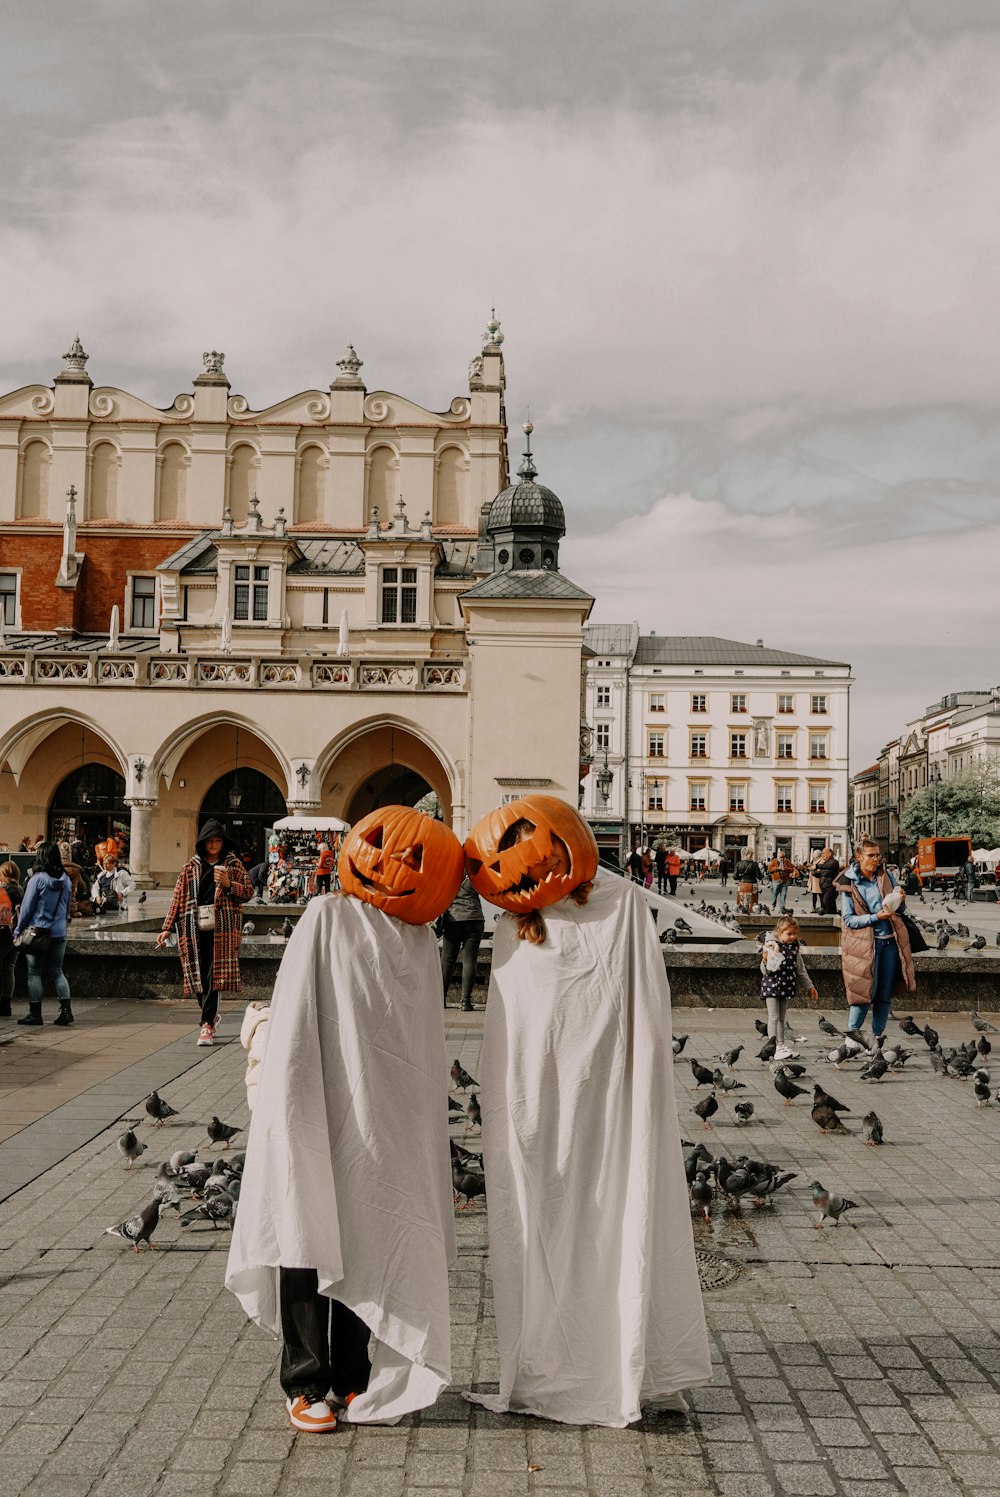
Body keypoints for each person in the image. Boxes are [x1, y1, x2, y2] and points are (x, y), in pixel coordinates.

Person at [463, 795, 711, 1426]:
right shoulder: (510, 930)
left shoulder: (622, 905)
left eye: (531, 840)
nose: (522, 858)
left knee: (615, 1213)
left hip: (607, 1097)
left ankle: (627, 1360)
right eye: (507, 849)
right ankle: (557, 1360)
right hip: (542, 1104)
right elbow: (513, 1032)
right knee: (549, 1223)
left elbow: (641, 1010)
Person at [227, 806, 463, 1433]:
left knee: (368, 1228)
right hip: (317, 1097)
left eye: (418, 861)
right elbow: (301, 1015)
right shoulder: (326, 917)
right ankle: (304, 1378)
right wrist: (291, 1098)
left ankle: (353, 1377)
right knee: (304, 1225)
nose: (395, 864)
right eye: (385, 846)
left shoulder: (419, 942)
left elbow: (413, 1044)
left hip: (382, 1118)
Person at [156, 820, 253, 1046]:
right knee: (197, 974)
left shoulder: (233, 864)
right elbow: (177, 899)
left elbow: (248, 892)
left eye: (218, 841)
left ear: (223, 843)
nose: (214, 845)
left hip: (224, 928)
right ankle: (211, 1016)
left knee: (214, 976)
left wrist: (229, 884)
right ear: (202, 843)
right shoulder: (190, 867)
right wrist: (166, 927)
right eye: (210, 841)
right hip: (193, 927)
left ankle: (206, 1025)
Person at [835, 839, 915, 1038]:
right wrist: (875, 917)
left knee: (884, 994)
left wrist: (901, 900)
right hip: (864, 945)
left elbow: (900, 910)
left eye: (877, 855)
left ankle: (877, 1037)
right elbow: (848, 920)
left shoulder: (885, 875)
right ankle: (852, 1039)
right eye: (871, 855)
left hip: (889, 942)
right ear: (859, 857)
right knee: (863, 993)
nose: (876, 859)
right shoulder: (850, 881)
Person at [13, 841, 74, 1027]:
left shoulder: (37, 879)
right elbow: (68, 906)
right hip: (59, 932)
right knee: (57, 971)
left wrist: (17, 930)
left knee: (34, 973)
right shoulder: (66, 879)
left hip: (37, 932)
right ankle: (66, 1011)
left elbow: (27, 908)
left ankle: (35, 1014)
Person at [759, 915, 818, 1061]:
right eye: (789, 934)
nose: (792, 936)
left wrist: (810, 986)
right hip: (772, 986)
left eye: (794, 933)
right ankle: (774, 1047)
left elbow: (801, 970)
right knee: (773, 1017)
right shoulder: (772, 946)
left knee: (781, 1018)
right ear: (779, 932)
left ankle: (781, 1045)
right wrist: (766, 961)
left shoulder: (794, 948)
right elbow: (765, 971)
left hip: (786, 986)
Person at [439, 872, 485, 1011]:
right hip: (475, 919)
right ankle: (465, 1002)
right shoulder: (474, 874)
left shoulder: (447, 873)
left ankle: (441, 1000)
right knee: (469, 961)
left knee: (447, 960)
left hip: (453, 920)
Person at [0, 861, 22, 1017]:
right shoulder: (21, 890)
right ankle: (6, 1004)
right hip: (18, 935)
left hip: (4, 935)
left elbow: (2, 917)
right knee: (9, 969)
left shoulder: (3, 892)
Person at [814, 847, 842, 914]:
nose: (822, 855)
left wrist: (817, 866)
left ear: (829, 854)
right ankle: (834, 917)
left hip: (831, 887)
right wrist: (813, 872)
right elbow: (821, 875)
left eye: (823, 853)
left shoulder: (833, 862)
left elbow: (829, 866)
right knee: (830, 907)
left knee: (825, 903)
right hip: (824, 888)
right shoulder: (826, 863)